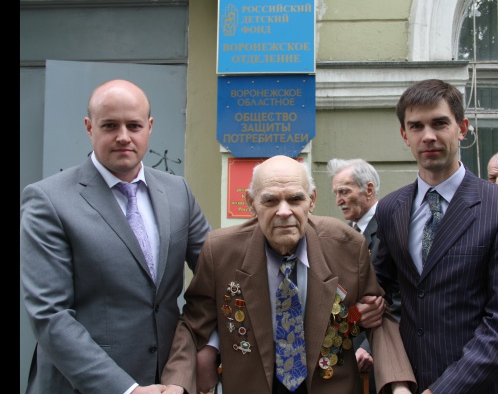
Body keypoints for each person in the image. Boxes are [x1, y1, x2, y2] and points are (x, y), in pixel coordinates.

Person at [161, 155, 417, 394]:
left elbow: (378, 317)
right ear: (251, 203)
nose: (284, 212)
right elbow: (192, 324)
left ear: (312, 200)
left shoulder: (347, 245)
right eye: (270, 201)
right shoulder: (220, 251)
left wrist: (399, 385)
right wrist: (176, 384)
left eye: (295, 199)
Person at [19, 79, 212, 394]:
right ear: (89, 127)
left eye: (134, 125)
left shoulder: (178, 193)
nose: (123, 136)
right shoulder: (48, 201)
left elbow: (215, 277)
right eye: (110, 125)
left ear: (149, 127)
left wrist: (205, 350)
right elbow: (50, 315)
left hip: (165, 383)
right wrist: (127, 390)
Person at [373, 78, 498, 393]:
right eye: (416, 126)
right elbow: (379, 292)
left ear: (462, 128)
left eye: (439, 123)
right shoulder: (391, 208)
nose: (428, 136)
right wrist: (393, 375)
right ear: (405, 135)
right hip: (411, 383)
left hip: (481, 386)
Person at [326, 158, 401, 394]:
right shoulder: (345, 234)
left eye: (344, 191)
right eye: (336, 193)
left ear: (368, 189)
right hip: (346, 351)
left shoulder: (392, 228)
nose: (338, 200)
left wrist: (369, 347)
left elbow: (398, 300)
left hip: (380, 354)